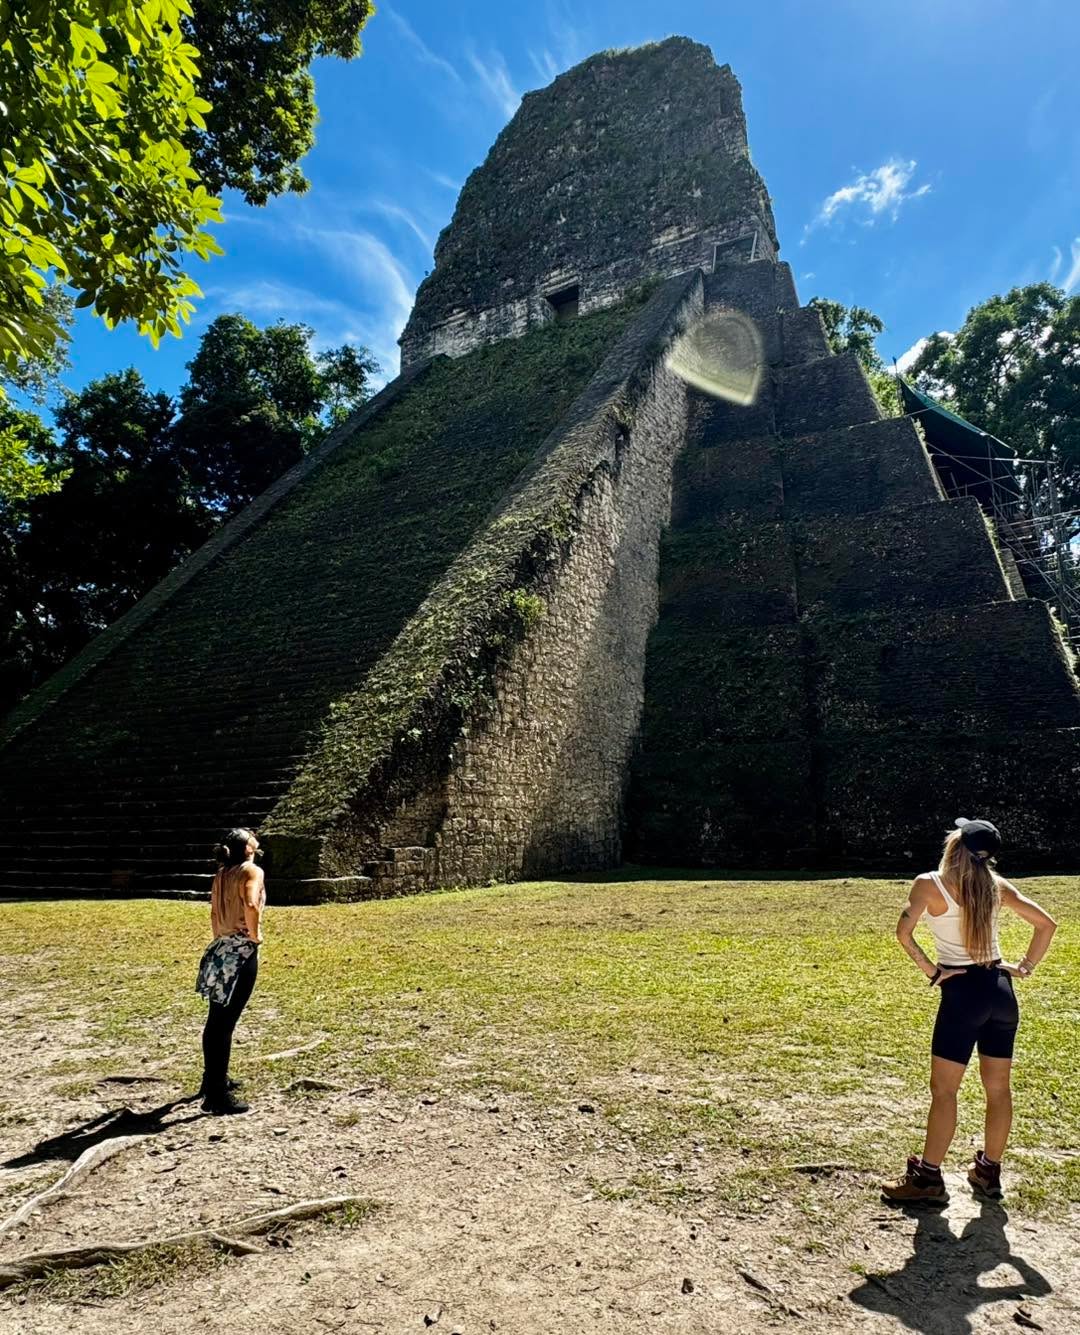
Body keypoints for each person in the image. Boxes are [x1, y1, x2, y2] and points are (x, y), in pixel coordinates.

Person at [882, 818, 1057, 1204]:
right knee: (998, 1089)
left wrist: (933, 971)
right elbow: (1046, 925)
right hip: (1000, 990)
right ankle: (988, 1171)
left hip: (962, 994)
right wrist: (1024, 967)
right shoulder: (997, 887)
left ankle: (927, 1179)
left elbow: (902, 934)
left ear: (955, 845)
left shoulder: (930, 883)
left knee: (945, 1091)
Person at [196, 827, 265, 1115]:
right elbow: (250, 903)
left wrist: (221, 938)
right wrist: (255, 934)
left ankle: (213, 1078)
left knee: (217, 1019)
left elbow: (213, 912)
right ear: (247, 847)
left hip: (220, 947)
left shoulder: (222, 873)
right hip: (240, 949)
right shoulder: (251, 871)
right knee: (224, 1024)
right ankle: (216, 1095)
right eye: (251, 836)